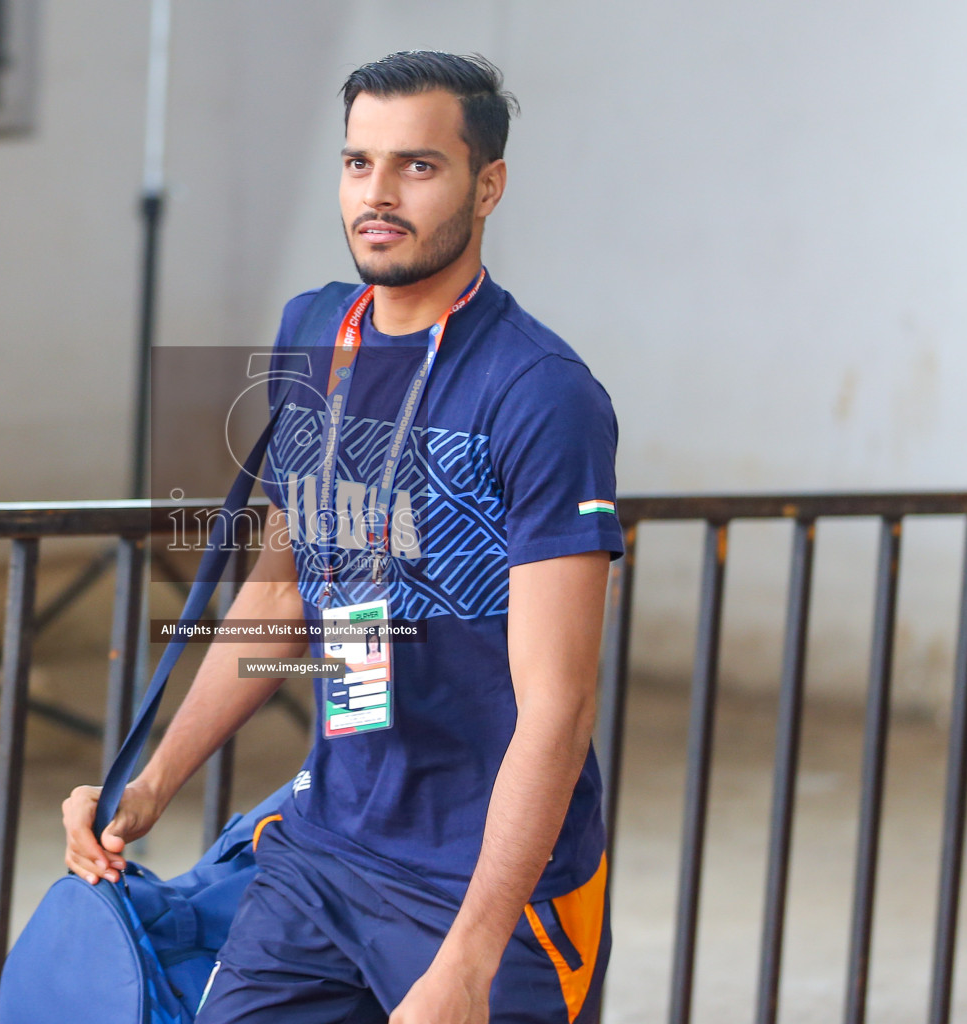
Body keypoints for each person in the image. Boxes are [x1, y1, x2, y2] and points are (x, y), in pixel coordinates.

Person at [64, 50, 622, 1024]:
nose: (379, 192)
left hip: (490, 891)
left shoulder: (542, 393)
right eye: (359, 163)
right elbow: (281, 592)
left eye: (418, 165)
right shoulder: (315, 331)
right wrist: (152, 780)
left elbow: (557, 708)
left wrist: (469, 961)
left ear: (487, 184)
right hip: (325, 850)